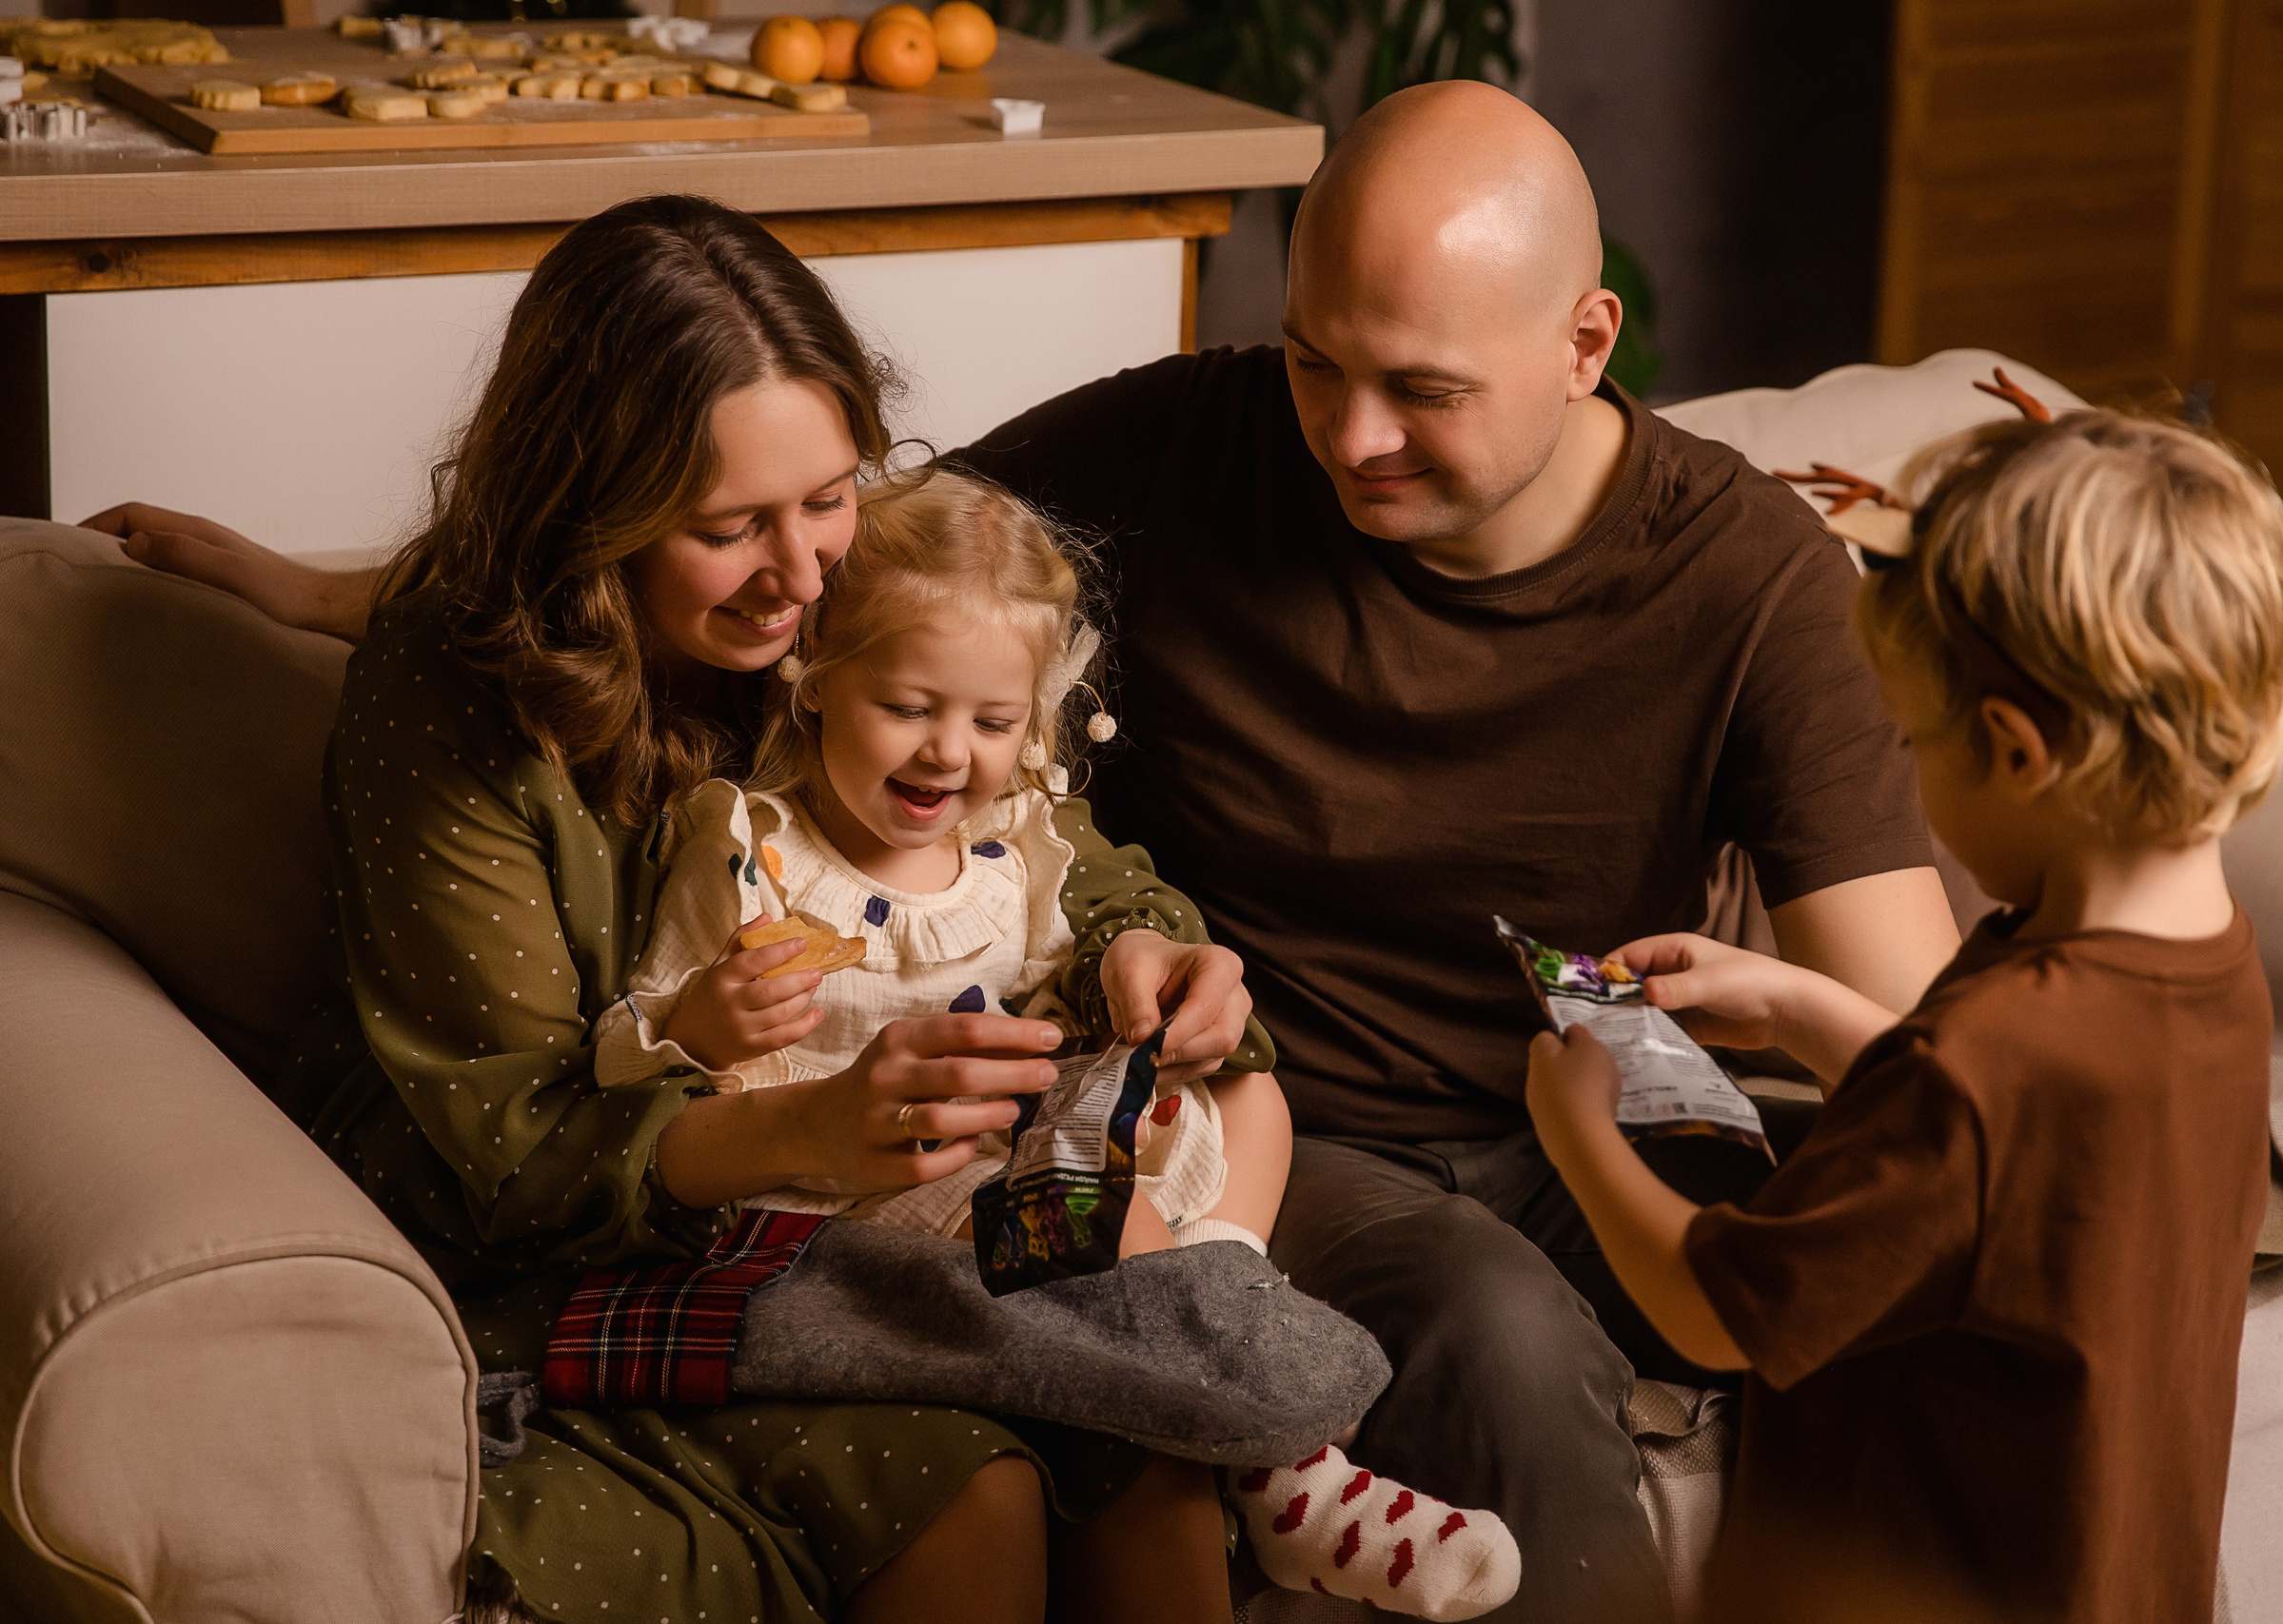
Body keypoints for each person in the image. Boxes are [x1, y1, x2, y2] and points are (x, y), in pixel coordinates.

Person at [109, 83, 1966, 1621]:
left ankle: (1265, 1438)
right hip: (826, 1200)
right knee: (1185, 1390)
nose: (1345, 435)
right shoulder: (536, 693)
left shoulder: (861, 627)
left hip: (1120, 1151)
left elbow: (1062, 850)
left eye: (831, 503)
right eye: (1317, 363)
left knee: (1177, 1401)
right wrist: (313, 589)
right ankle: (1276, 1430)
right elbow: (525, 1097)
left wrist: (1154, 967)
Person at [90, 195, 1269, 1624]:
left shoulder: (837, 585)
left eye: (830, 493)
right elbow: (510, 1148)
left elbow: (1034, 824)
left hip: (874, 1202)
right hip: (573, 1241)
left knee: (1154, 1444)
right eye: (729, 527)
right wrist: (814, 1126)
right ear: (598, 510)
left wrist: (1148, 940)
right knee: (977, 1491)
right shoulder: (457, 704)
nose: (806, 573)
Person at [603, 465, 1524, 1619]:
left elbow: (1070, 969)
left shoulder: (1017, 841)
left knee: (1249, 1096)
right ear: (816, 684)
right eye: (909, 708)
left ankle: (1217, 1309)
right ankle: (1284, 1465)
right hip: (859, 1194)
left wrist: (1129, 969)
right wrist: (699, 1023)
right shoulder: (752, 852)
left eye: (993, 722)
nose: (951, 753)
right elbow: (635, 1055)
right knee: (1088, 1201)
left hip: (1025, 1156)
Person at [1525, 407, 2283, 1624]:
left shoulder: (1985, 1062)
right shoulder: (2211, 971)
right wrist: (1796, 1003)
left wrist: (1576, 1131)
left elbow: (1717, 1308)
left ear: (2012, 747)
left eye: (1912, 740)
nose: (1915, 783)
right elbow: (2018, 1161)